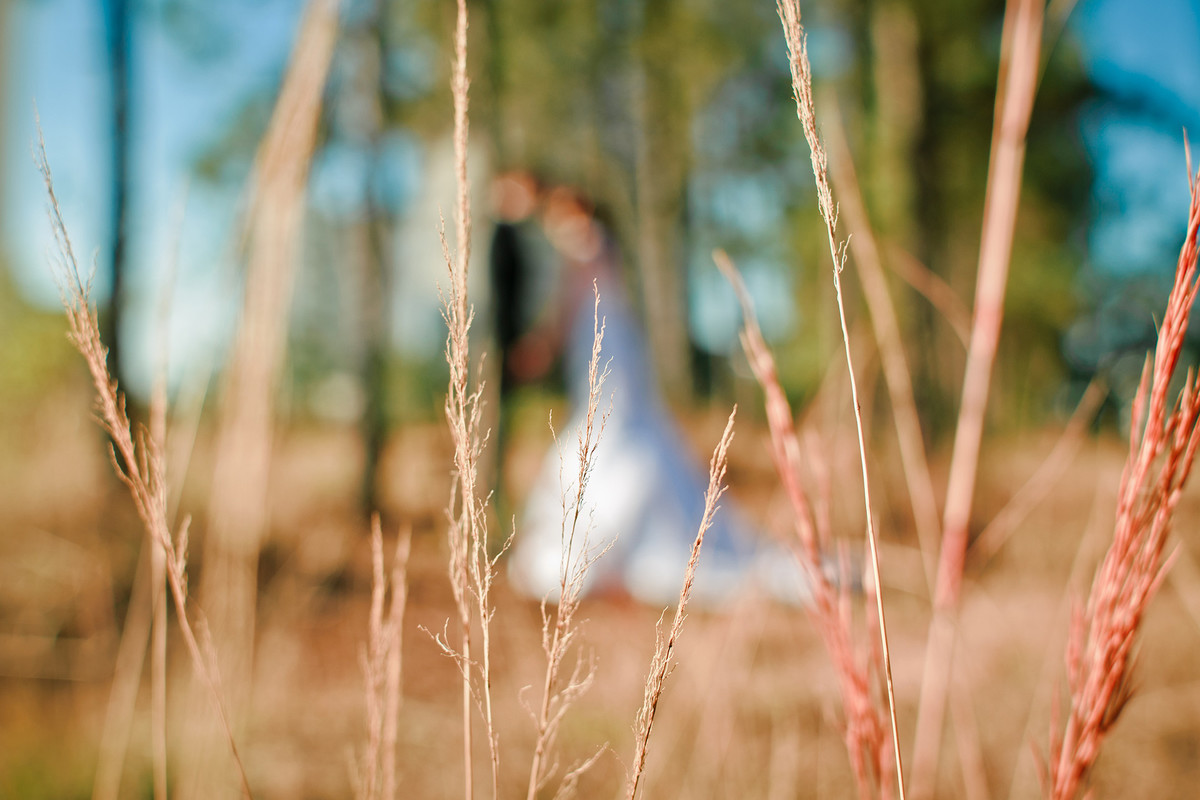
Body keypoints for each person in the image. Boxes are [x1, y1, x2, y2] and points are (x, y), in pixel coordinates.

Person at [499, 185, 809, 607]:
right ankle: (625, 545)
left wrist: (540, 349)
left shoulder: (579, 247)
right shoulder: (602, 246)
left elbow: (565, 308)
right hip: (612, 340)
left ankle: (614, 550)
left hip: (599, 343)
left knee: (609, 427)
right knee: (618, 426)